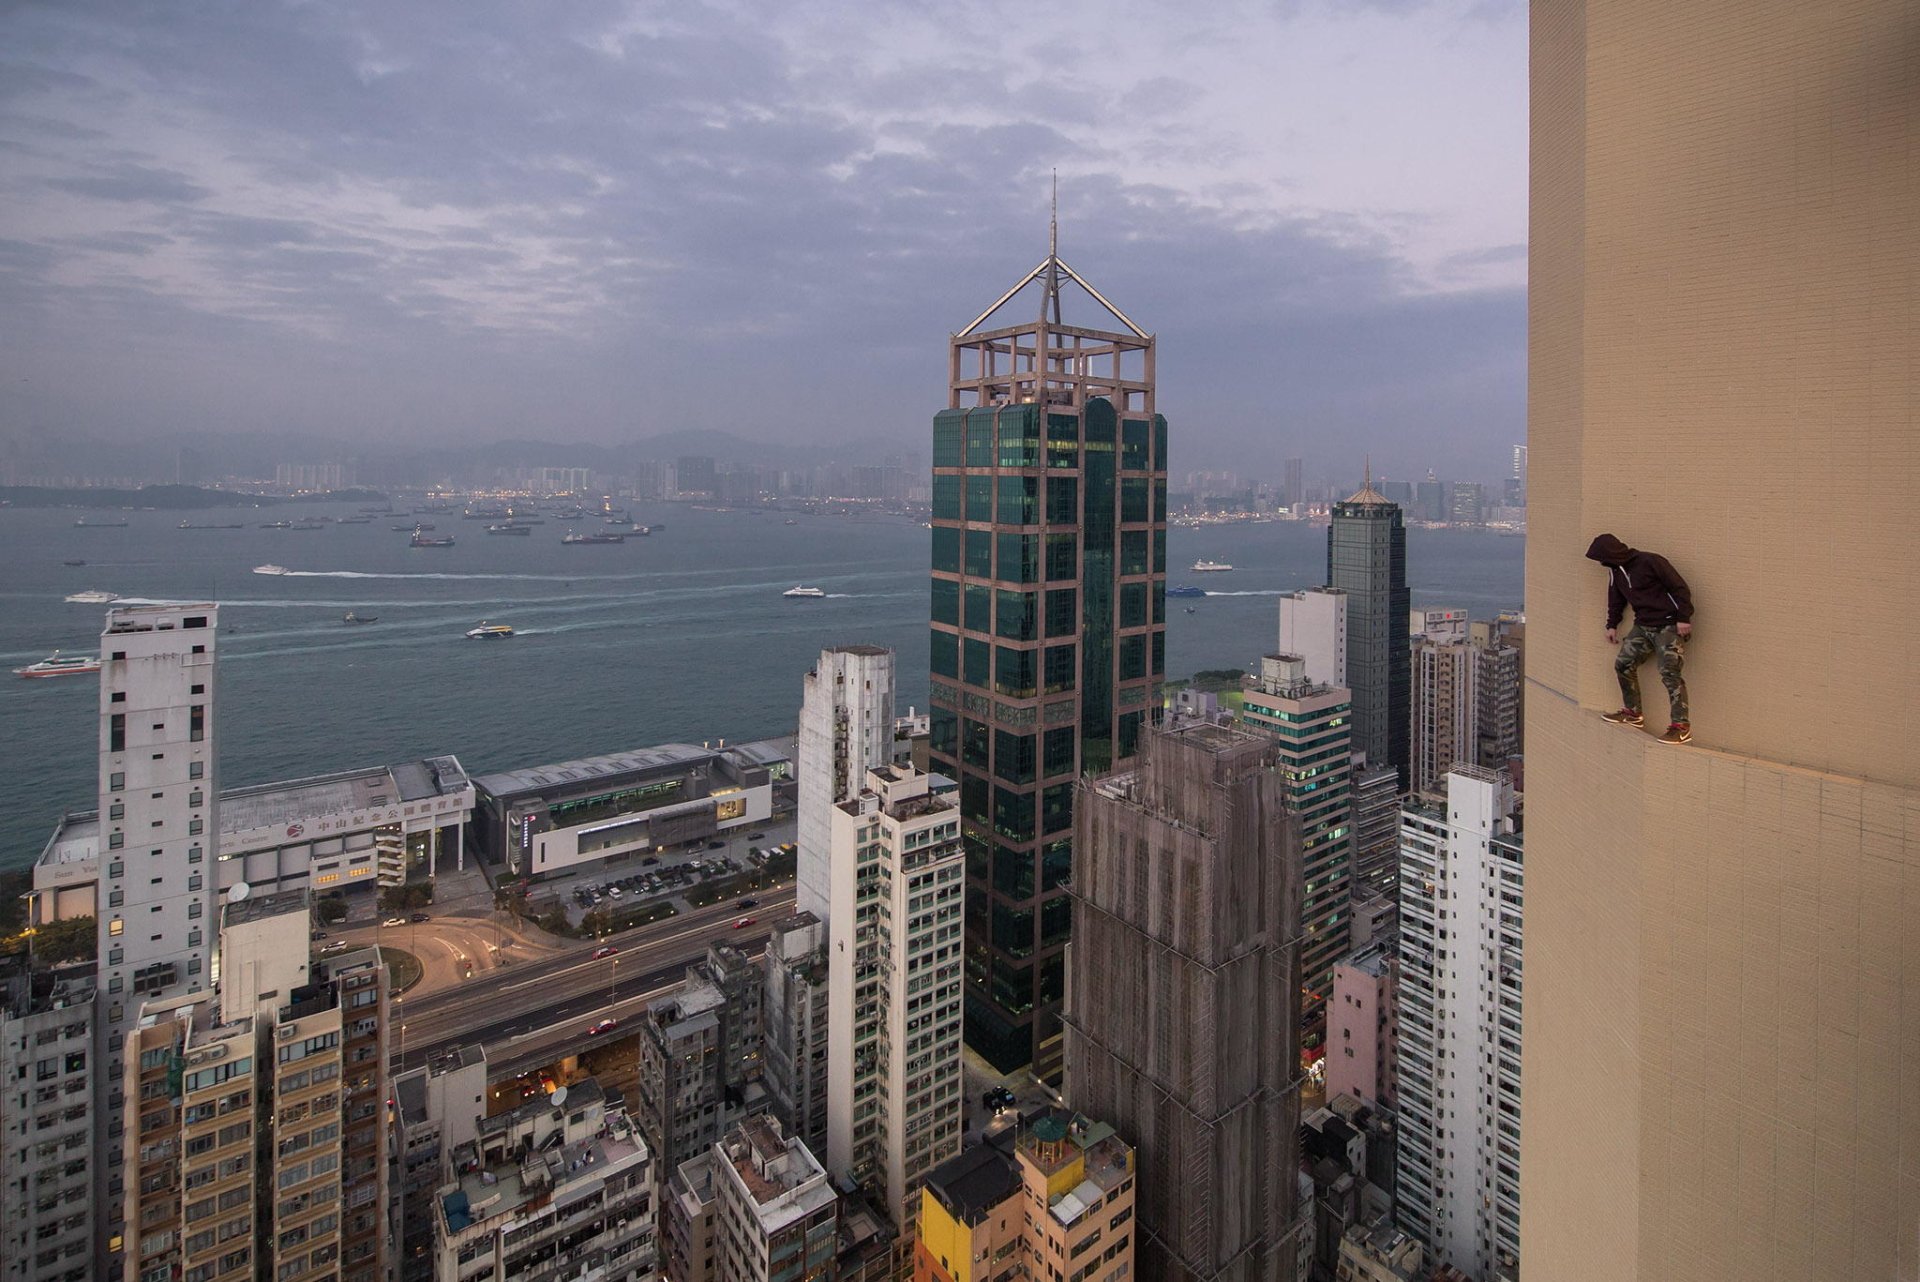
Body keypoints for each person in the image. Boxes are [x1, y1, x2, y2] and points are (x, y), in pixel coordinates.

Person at [1585, 533, 1694, 744]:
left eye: (1601, 557)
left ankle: (1681, 727)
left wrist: (1683, 618)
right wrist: (1611, 625)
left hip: (1669, 624)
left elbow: (1679, 587)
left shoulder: (1651, 561)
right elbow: (1615, 600)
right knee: (1623, 664)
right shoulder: (1615, 572)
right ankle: (1633, 713)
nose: (1600, 562)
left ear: (1612, 553)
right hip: (1643, 625)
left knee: (1670, 673)